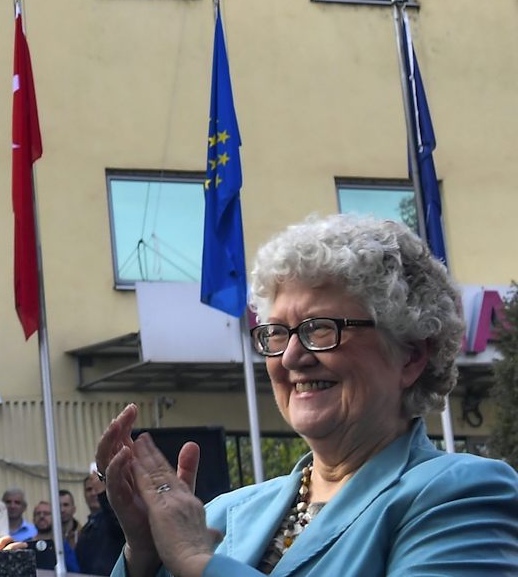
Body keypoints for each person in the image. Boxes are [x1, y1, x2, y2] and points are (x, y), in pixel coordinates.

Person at [102, 214, 518, 576]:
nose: (291, 357)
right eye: (276, 333)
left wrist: (196, 561)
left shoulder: (464, 494)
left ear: (410, 356)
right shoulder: (222, 515)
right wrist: (146, 556)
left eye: (320, 329)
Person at [74, 467, 124, 574]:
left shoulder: (114, 520)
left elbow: (117, 522)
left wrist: (103, 494)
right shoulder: (86, 529)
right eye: (89, 489)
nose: (93, 493)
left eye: (96, 488)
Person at [31, 498, 78, 573]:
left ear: (55, 518)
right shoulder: (26, 545)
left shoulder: (62, 546)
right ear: (33, 519)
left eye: (46, 513)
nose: (42, 516)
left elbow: (74, 572)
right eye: (38, 513)